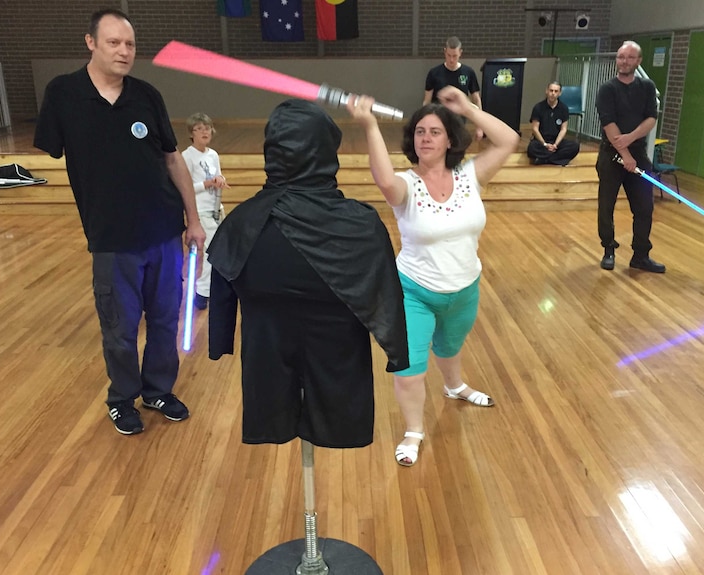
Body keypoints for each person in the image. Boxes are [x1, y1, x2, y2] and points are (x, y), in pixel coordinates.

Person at [34, 9, 205, 435]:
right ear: (90, 42)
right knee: (119, 328)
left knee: (166, 319)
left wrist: (193, 219)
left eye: (129, 44)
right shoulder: (63, 94)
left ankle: (158, 389)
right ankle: (122, 398)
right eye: (113, 42)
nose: (124, 51)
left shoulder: (147, 95)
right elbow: (50, 151)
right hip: (111, 240)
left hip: (164, 234)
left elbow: (172, 158)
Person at [206, 99, 408, 449]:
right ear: (326, 150)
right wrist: (397, 353)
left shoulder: (241, 224)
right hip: (340, 368)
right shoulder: (360, 227)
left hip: (266, 367)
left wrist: (219, 341)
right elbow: (387, 298)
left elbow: (222, 287)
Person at [348, 86, 519, 466]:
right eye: (420, 132)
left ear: (450, 139)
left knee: (450, 347)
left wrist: (469, 109)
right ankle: (413, 431)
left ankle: (455, 386)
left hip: (465, 288)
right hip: (414, 291)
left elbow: (509, 139)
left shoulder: (471, 176)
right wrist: (370, 125)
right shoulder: (406, 184)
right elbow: (383, 180)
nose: (426, 138)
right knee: (409, 371)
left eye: (435, 131)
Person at [595, 41, 665, 273]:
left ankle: (641, 255)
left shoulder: (647, 87)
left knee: (644, 207)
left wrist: (630, 138)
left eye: (630, 57)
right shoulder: (607, 89)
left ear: (638, 61)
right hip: (611, 155)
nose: (624, 61)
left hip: (638, 154)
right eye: (621, 57)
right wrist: (624, 153)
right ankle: (608, 250)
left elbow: (651, 118)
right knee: (607, 206)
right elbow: (609, 123)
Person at [182, 113, 228, 311]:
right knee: (209, 252)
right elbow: (186, 186)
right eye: (199, 128)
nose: (204, 132)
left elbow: (216, 175)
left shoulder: (213, 154)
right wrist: (207, 183)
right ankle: (202, 292)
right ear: (191, 133)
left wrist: (220, 181)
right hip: (200, 211)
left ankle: (210, 289)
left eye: (207, 128)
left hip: (216, 208)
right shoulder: (187, 156)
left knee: (218, 251)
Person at [424, 36, 483, 139]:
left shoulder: (468, 72)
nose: (451, 59)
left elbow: (476, 100)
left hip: (459, 122)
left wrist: (479, 127)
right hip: (438, 120)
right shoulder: (434, 73)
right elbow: (426, 101)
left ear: (460, 52)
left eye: (455, 56)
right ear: (444, 52)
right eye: (449, 55)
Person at [527, 82, 580, 166]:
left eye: (556, 91)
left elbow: (563, 129)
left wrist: (555, 144)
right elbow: (535, 129)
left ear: (560, 93)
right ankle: (556, 160)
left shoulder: (563, 108)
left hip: (556, 142)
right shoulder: (538, 107)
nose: (553, 93)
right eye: (551, 90)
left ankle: (544, 160)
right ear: (547, 91)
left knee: (574, 146)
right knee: (532, 148)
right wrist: (545, 144)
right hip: (541, 142)